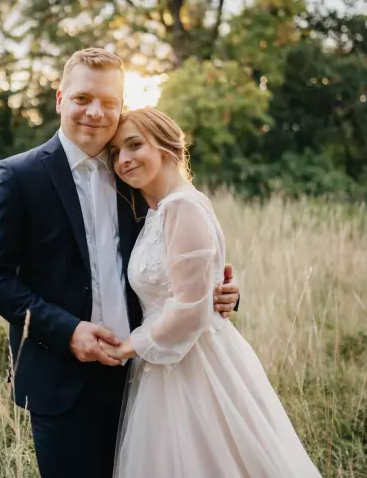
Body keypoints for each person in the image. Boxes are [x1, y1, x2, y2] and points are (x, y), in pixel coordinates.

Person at [0, 48, 241, 478]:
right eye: (83, 99)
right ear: (61, 99)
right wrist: (68, 330)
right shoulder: (20, 176)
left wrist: (219, 291)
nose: (96, 112)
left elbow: (182, 251)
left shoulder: (134, 172)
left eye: (109, 103)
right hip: (60, 378)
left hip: (145, 377)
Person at [103, 107, 323, 478]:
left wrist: (128, 347)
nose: (123, 160)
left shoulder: (182, 206)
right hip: (163, 361)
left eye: (134, 145)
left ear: (167, 147)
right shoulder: (159, 209)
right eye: (115, 153)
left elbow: (190, 307)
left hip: (194, 365)